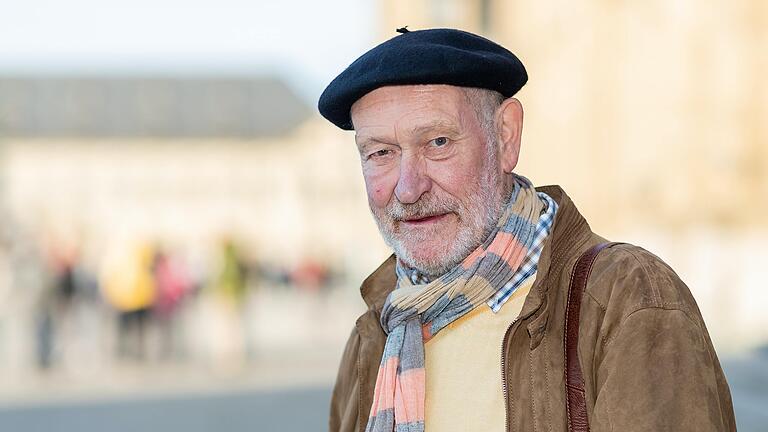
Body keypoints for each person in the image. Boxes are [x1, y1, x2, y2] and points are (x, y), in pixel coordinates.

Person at [318, 28, 736, 432]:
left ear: (505, 136)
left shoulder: (624, 301)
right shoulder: (374, 335)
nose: (408, 188)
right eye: (380, 153)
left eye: (438, 142)